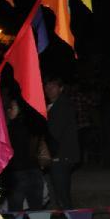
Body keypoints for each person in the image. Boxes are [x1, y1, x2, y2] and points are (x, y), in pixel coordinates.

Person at [45, 76, 80, 209]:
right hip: (54, 156)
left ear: (60, 88)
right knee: (56, 194)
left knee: (62, 195)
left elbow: (54, 132)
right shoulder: (50, 106)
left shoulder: (64, 105)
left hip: (61, 156)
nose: (49, 89)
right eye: (47, 86)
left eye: (52, 86)